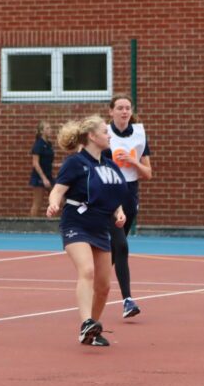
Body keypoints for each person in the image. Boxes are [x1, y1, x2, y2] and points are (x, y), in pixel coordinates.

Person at [47, 115, 128, 347]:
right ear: (92, 136)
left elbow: (113, 196)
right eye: (105, 131)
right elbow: (58, 190)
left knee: (104, 286)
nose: (109, 135)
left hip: (100, 226)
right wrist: (53, 203)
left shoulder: (110, 165)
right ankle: (86, 322)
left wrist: (119, 212)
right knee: (87, 270)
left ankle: (91, 331)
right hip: (76, 223)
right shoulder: (75, 162)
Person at [106, 94, 152, 319]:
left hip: (129, 195)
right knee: (122, 246)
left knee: (116, 246)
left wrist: (133, 161)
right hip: (109, 194)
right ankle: (127, 300)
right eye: (120, 108)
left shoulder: (139, 135)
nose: (124, 111)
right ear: (111, 111)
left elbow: (148, 173)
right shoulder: (104, 135)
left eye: (127, 108)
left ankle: (96, 280)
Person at [28, 120, 54, 217]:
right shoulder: (38, 144)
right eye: (47, 128)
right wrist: (44, 179)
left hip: (48, 176)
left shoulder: (49, 144)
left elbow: (47, 161)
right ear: (42, 131)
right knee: (37, 203)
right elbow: (35, 163)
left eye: (50, 128)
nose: (50, 130)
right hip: (39, 177)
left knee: (59, 199)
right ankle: (31, 224)